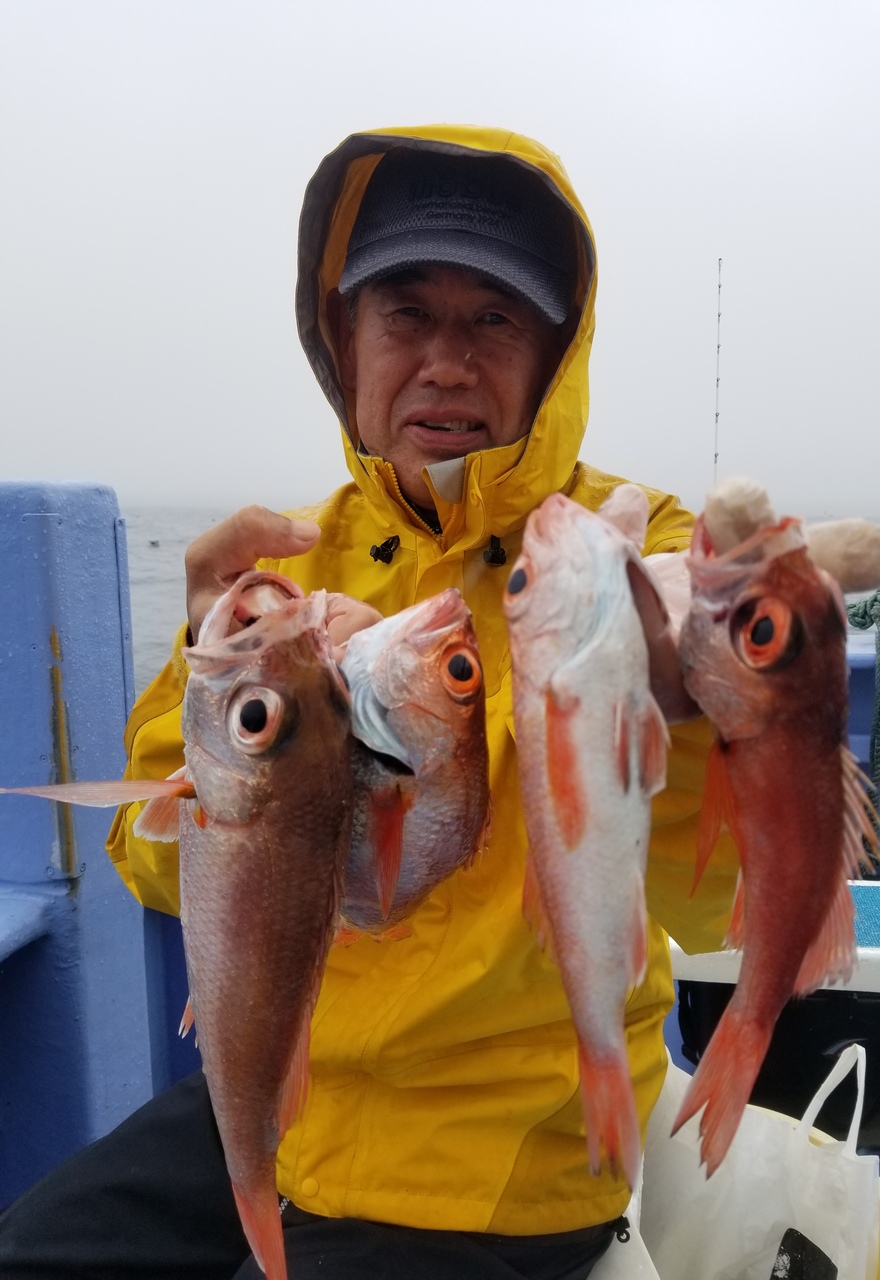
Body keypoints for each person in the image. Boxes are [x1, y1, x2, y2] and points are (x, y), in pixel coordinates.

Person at [0, 124, 738, 1280]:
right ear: (343, 339)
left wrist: (703, 691)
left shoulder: (631, 553)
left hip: (494, 1153)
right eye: (406, 313)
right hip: (283, 1087)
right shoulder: (287, 564)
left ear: (558, 354)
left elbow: (713, 886)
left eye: (494, 318)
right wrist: (210, 669)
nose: (446, 361)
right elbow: (151, 862)